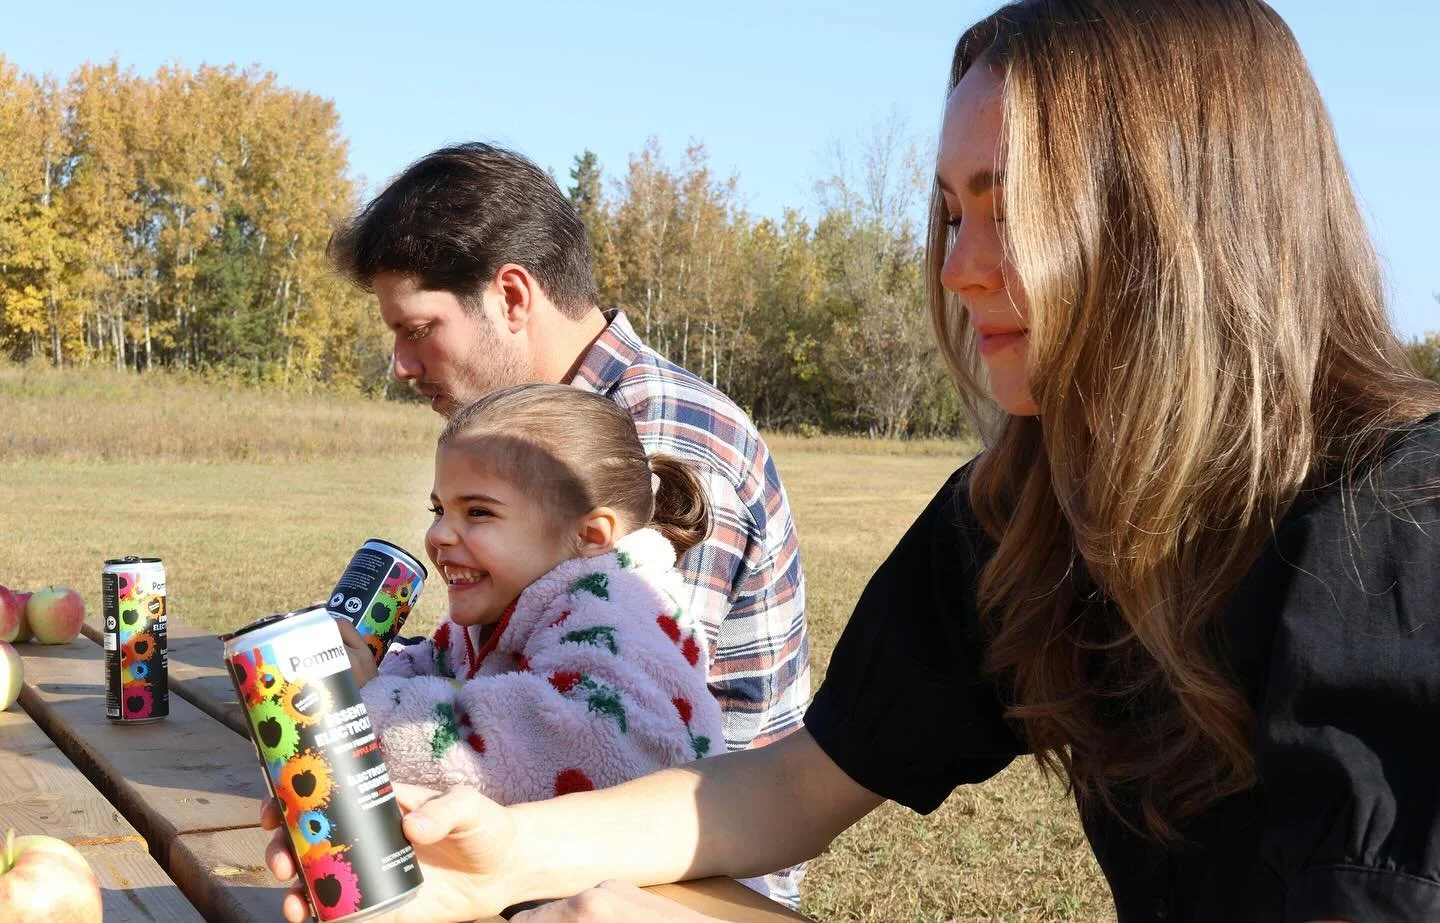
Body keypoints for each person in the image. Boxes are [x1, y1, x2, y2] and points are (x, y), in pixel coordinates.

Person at [266, 1, 1440, 920]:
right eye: (947, 214)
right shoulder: (1024, 514)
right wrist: (501, 851)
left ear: (1181, 219)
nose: (960, 267)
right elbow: (787, 785)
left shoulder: (1395, 531)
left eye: (1010, 205)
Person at [329, 142, 810, 903]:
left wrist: (364, 710)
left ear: (513, 297)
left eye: (418, 328)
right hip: (546, 832)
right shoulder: (540, 440)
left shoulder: (659, 440)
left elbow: (603, 730)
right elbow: (484, 660)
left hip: (683, 879)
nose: (401, 364)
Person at [332, 384, 724, 804]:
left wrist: (370, 709)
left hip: (665, 868)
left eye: (478, 512)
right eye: (439, 510)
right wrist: (344, 670)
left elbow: (561, 746)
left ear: (588, 535)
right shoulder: (507, 605)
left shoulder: (619, 613)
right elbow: (431, 665)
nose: (438, 534)